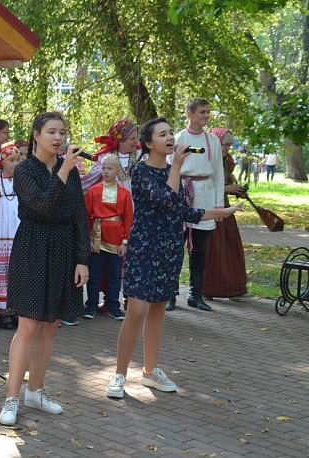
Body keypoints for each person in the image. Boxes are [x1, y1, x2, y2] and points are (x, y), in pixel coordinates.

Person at [105, 118, 243, 399]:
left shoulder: (172, 171)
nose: (170, 138)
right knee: (137, 311)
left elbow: (182, 210)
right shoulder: (141, 171)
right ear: (148, 143)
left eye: (170, 133)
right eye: (163, 134)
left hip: (169, 249)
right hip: (145, 248)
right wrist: (178, 166)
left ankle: (149, 372)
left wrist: (221, 212)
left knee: (158, 310)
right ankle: (120, 374)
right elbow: (164, 199)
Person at [0, 112, 90, 427]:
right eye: (51, 132)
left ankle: (35, 391)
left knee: (51, 325)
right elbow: (43, 206)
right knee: (28, 326)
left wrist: (82, 258)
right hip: (33, 248)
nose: (58, 138)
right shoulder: (24, 170)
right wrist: (64, 170)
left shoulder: (71, 172)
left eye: (62, 132)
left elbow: (80, 215)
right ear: (36, 135)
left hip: (64, 249)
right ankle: (11, 397)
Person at [165, 98, 224, 312]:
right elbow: (168, 170)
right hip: (181, 195)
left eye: (208, 112)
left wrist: (218, 205)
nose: (206, 115)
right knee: (174, 248)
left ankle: (195, 295)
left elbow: (218, 173)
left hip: (205, 195)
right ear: (189, 114)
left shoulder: (213, 141)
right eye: (202, 112)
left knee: (199, 249)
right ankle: (170, 295)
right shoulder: (178, 139)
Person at [83, 154, 133, 321]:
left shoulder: (124, 193)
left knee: (114, 274)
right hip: (96, 238)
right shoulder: (93, 191)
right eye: (103, 168)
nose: (106, 171)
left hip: (116, 239)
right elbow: (86, 215)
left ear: (118, 170)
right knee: (94, 273)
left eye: (110, 168)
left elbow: (128, 218)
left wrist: (124, 242)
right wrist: (88, 239)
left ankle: (113, 306)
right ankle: (91, 305)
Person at [202, 128, 248, 301]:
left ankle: (233, 289)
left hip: (226, 210)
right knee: (213, 251)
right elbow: (203, 184)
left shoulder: (226, 162)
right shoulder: (206, 160)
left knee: (232, 249)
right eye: (224, 144)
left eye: (229, 145)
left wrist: (237, 191)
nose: (227, 148)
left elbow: (227, 182)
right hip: (209, 210)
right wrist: (227, 189)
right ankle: (209, 289)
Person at [0, 142, 23, 329]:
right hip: (2, 233)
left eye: (18, 160)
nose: (15, 164)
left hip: (20, 232)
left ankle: (20, 311)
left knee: (20, 272)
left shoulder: (23, 181)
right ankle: (4, 313)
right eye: (11, 160)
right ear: (3, 162)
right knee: (3, 272)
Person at [81, 117, 139, 194]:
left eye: (136, 137)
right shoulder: (105, 157)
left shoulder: (142, 154)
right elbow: (90, 179)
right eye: (132, 139)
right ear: (121, 141)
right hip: (114, 199)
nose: (137, 141)